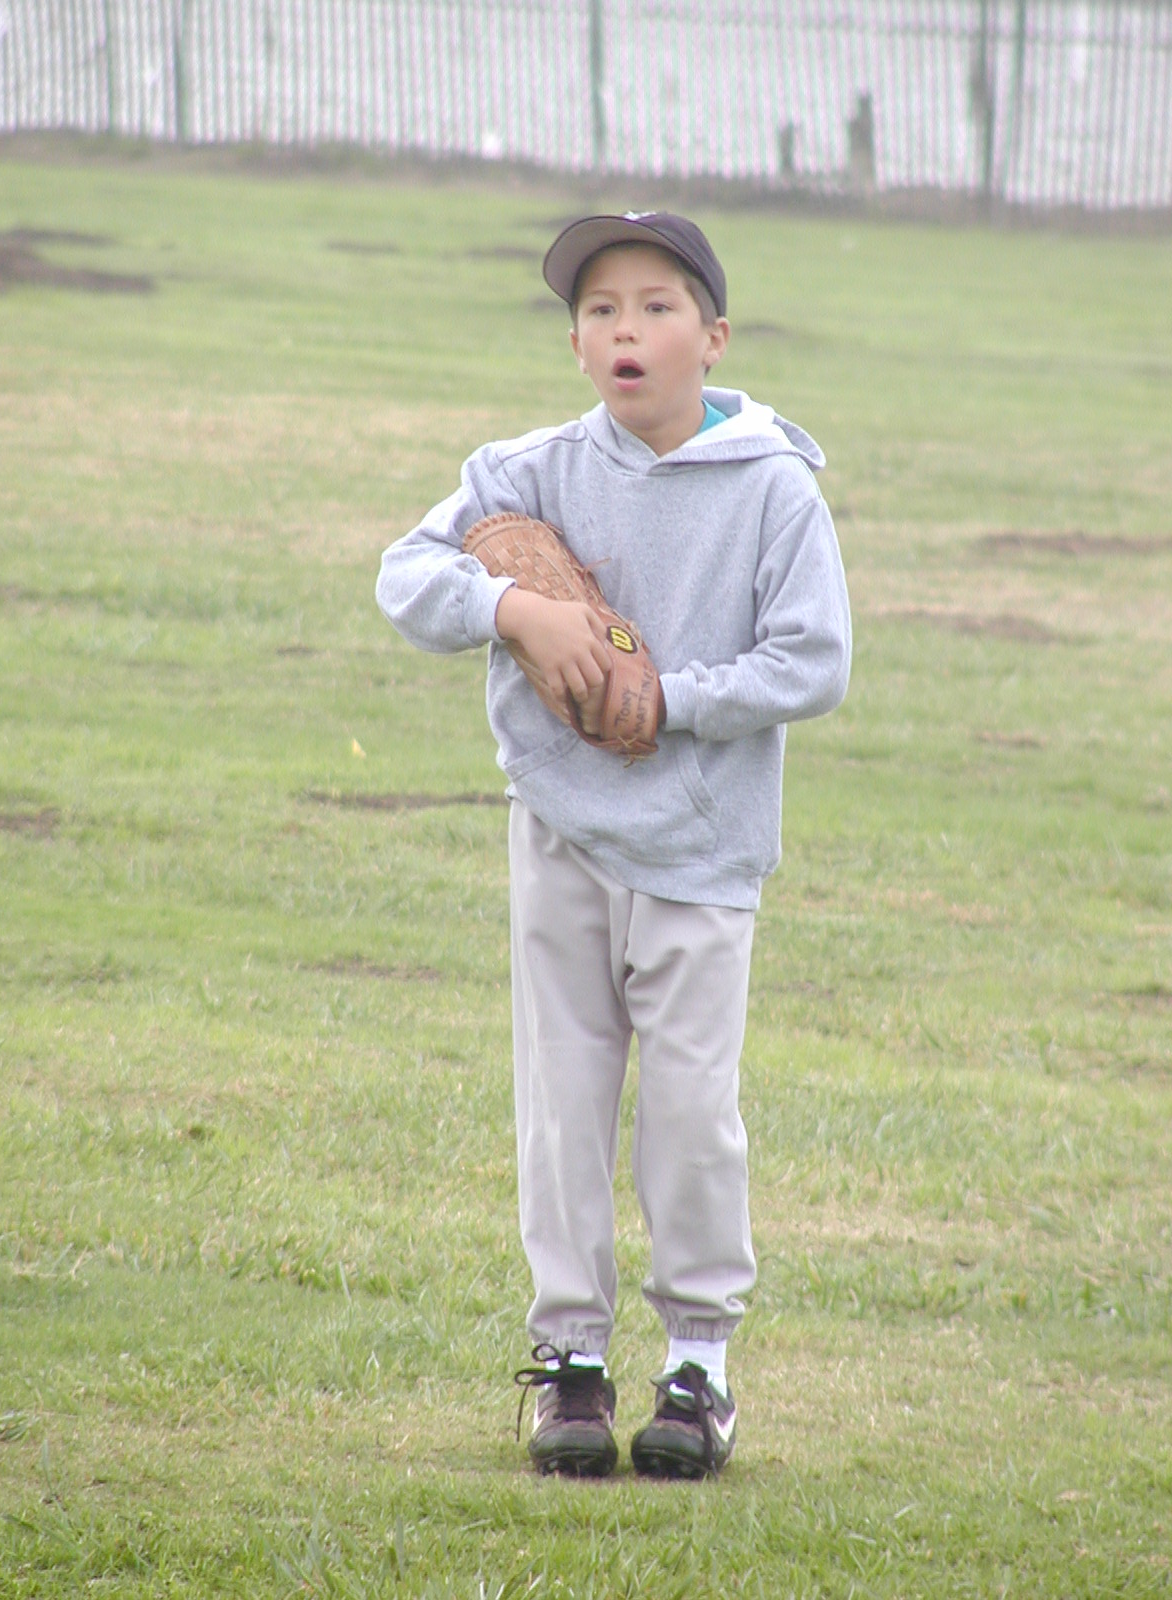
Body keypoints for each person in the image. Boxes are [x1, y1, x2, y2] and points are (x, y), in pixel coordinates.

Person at [376, 211, 851, 1478]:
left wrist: (670, 698)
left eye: (654, 305)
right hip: (564, 830)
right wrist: (513, 607)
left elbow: (814, 660)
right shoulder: (529, 471)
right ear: (577, 343)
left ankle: (698, 1366)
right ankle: (569, 1360)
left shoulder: (773, 487)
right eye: (599, 309)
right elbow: (406, 577)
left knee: (691, 1115)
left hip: (702, 852)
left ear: (714, 336)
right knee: (563, 1103)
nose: (625, 328)